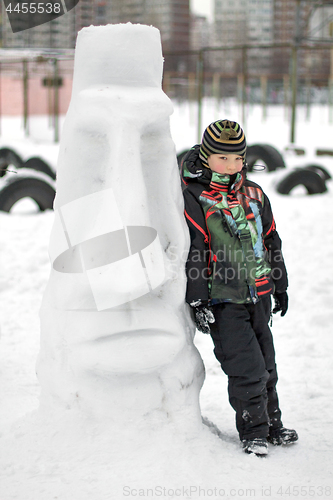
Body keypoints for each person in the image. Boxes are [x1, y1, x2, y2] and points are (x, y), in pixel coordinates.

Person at [181, 119, 298, 456]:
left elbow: (270, 239)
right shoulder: (194, 196)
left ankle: (273, 425)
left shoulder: (255, 193)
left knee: (267, 364)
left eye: (238, 159)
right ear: (206, 156)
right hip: (223, 299)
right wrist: (199, 298)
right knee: (246, 368)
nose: (232, 166)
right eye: (223, 158)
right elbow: (196, 248)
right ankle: (254, 433)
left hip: (259, 293)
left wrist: (280, 284)